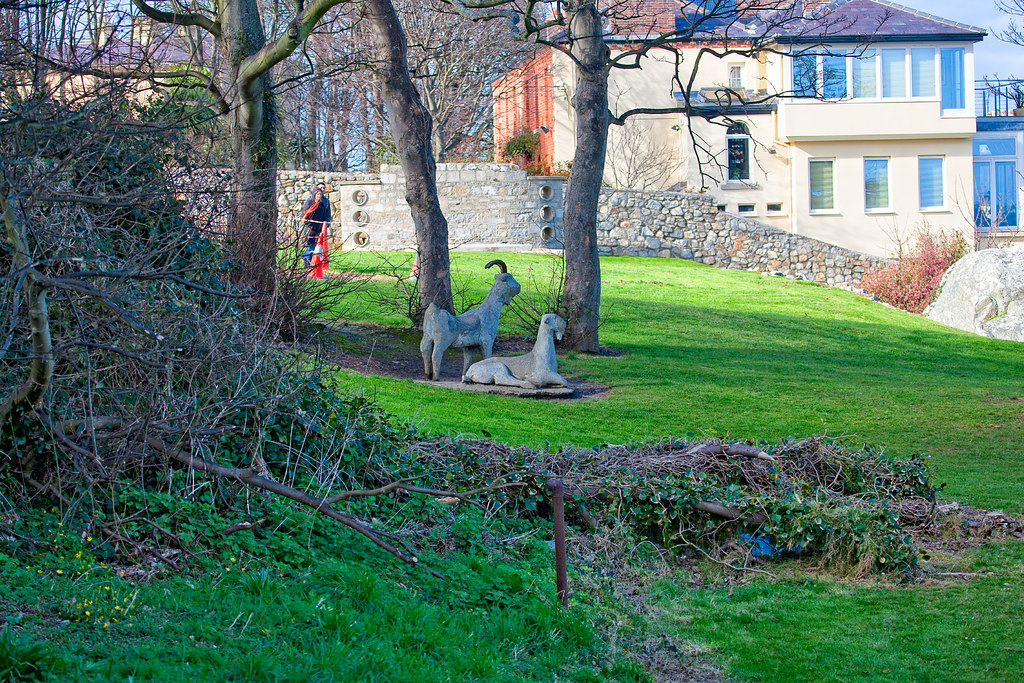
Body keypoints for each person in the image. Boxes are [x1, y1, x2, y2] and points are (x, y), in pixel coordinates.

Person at [301, 182, 331, 268]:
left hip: (318, 229)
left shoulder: (323, 204)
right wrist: (308, 224)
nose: (319, 196)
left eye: (320, 194)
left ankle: (310, 263)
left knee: (315, 247)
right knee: (310, 246)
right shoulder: (309, 202)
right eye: (317, 194)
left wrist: (325, 224)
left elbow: (325, 215)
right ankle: (306, 261)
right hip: (310, 228)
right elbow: (304, 214)